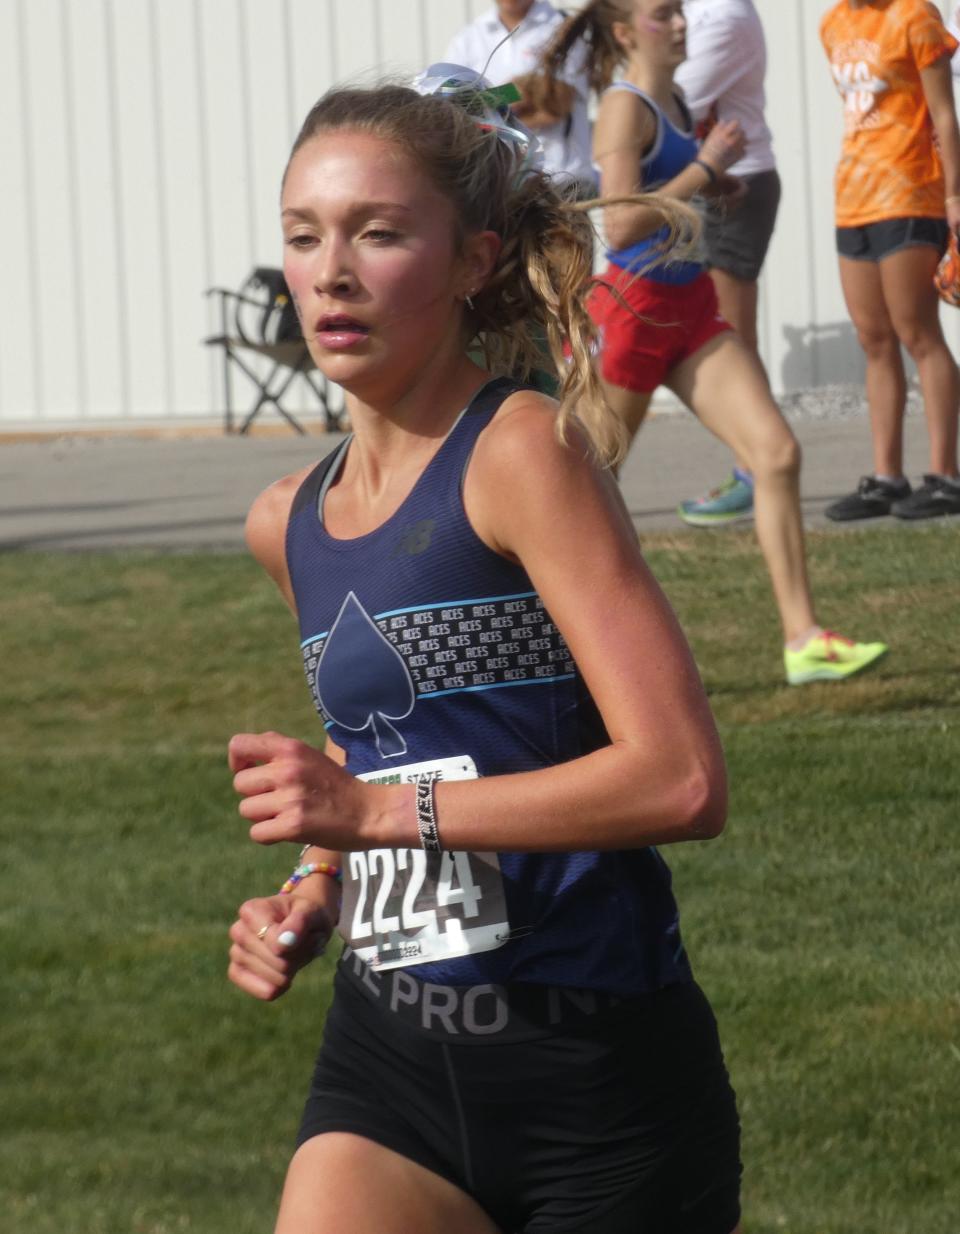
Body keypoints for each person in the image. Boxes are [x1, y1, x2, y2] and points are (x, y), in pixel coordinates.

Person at [225, 68, 744, 1234]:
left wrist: (372, 818)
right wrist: (315, 884)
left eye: (380, 233)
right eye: (304, 236)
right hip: (389, 1060)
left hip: (596, 1085)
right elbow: (381, 740)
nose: (332, 271)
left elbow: (683, 777)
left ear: (473, 261)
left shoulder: (519, 456)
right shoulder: (287, 520)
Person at [543, 0, 887, 685]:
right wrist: (706, 167)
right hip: (635, 310)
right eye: (661, 15)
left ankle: (804, 640)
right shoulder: (623, 106)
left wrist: (714, 179)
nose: (678, 23)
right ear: (623, 33)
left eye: (678, 12)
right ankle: (559, 658)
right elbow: (623, 224)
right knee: (586, 493)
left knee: (776, 453)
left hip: (690, 303)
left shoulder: (672, 96)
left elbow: (665, 191)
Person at [821, 0, 960, 520]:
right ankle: (887, 478)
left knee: (918, 332)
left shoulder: (914, 15)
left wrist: (953, 197)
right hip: (853, 198)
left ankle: (946, 476)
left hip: (909, 193)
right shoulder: (833, 23)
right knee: (873, 338)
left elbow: (944, 113)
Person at [673, 0, 780, 527]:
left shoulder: (724, 15)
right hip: (714, 181)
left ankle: (759, 471)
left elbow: (676, 104)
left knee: (734, 337)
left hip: (737, 182)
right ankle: (755, 469)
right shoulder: (697, 12)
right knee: (728, 336)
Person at [445, 0, 597, 195]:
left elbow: (556, 104)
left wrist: (487, 110)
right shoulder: (468, 39)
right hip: (499, 187)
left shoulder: (564, 28)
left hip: (561, 181)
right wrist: (513, 92)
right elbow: (452, 107)